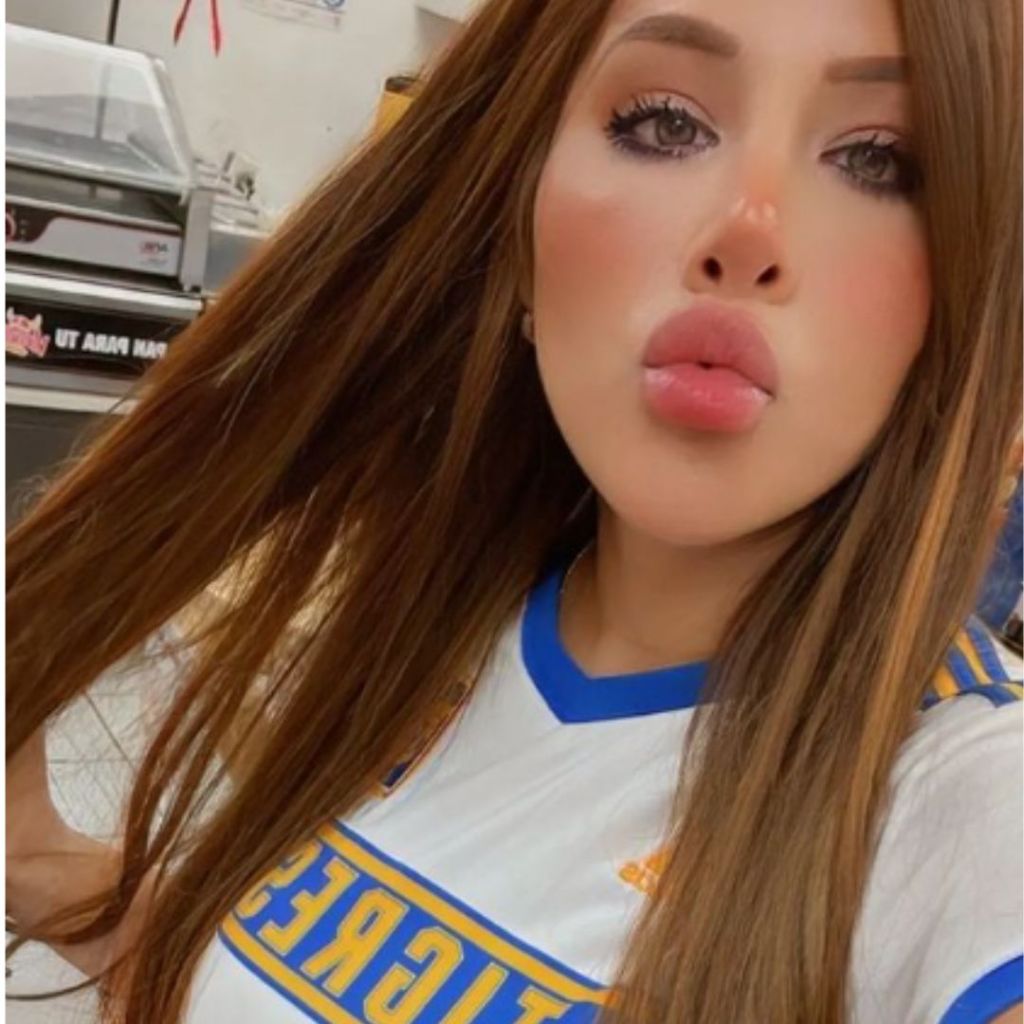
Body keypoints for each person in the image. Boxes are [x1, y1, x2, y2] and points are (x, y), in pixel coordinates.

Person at [6, 0, 1022, 1021]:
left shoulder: (966, 806)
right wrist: (35, 857)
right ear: (525, 238)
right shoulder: (420, 629)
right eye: (665, 123)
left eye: (877, 160)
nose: (747, 233)